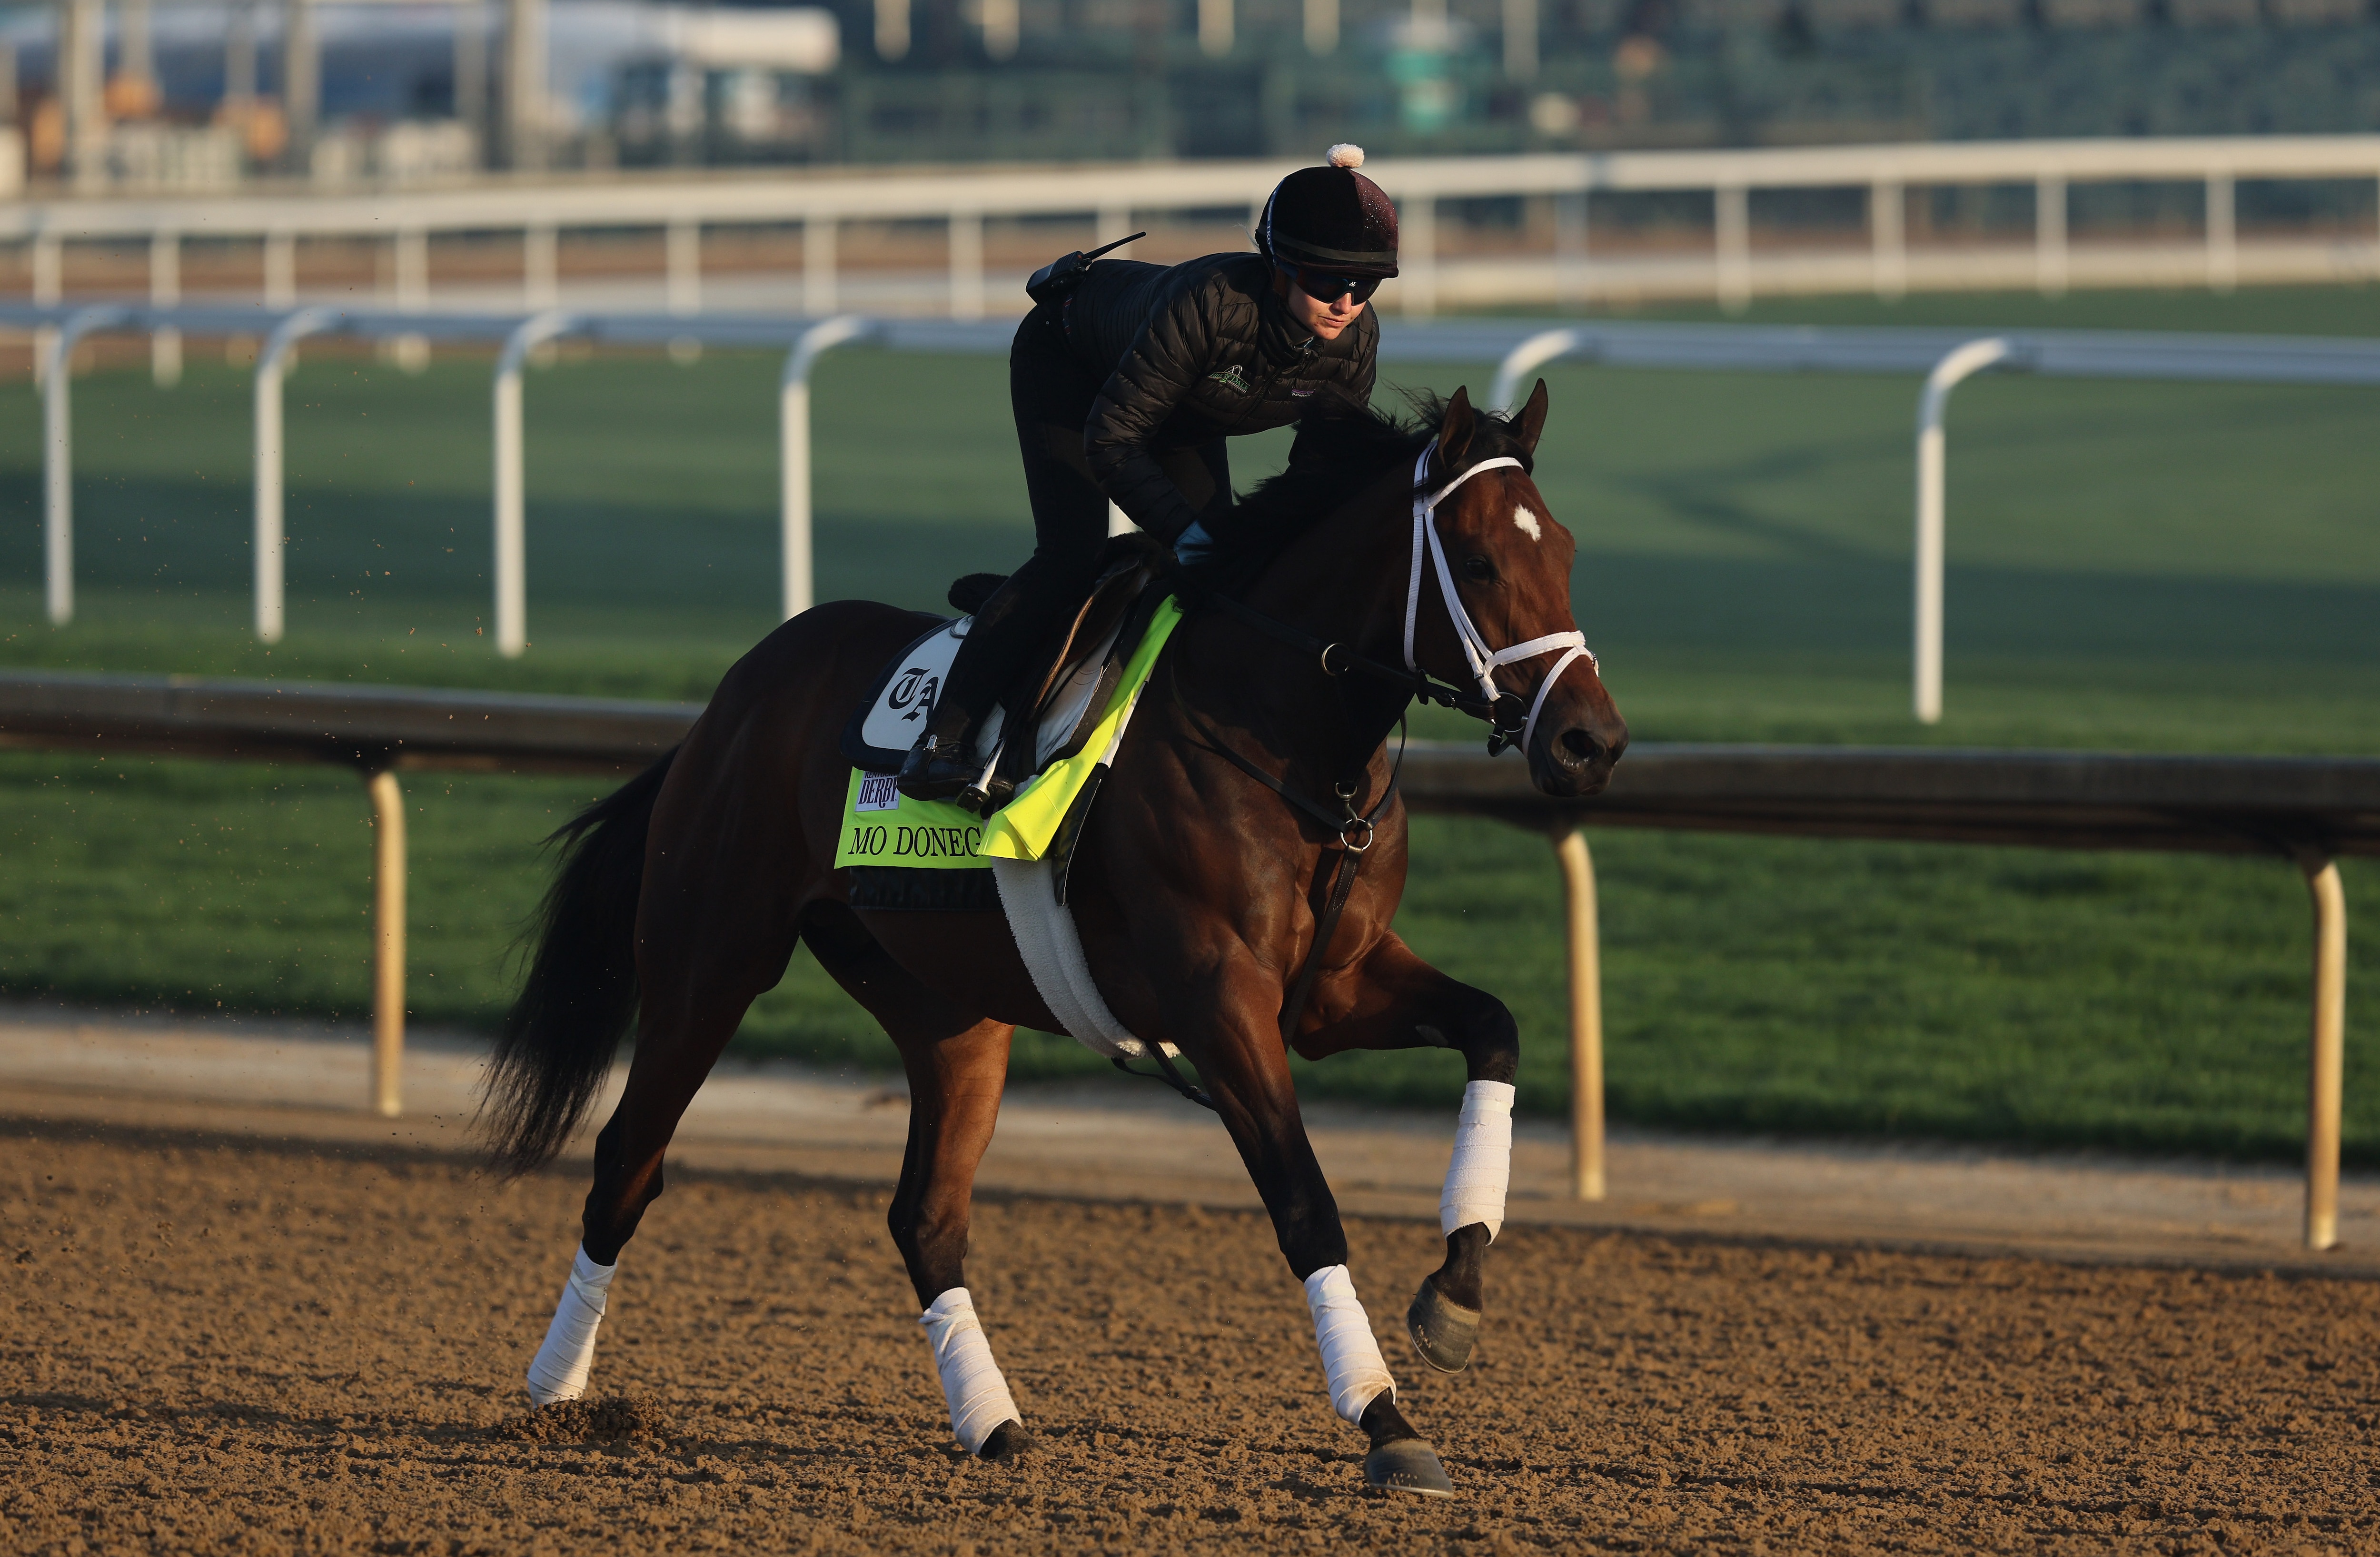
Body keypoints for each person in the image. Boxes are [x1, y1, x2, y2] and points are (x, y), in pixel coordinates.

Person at [895, 144, 1398, 810]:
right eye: (1326, 281)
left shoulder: (1355, 344)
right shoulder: (1209, 304)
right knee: (1072, 553)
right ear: (1279, 269)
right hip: (1074, 367)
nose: (1345, 303)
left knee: (1227, 579)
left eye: (1365, 286)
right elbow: (1112, 441)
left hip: (1177, 407)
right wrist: (1192, 540)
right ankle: (943, 740)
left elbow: (1319, 481)